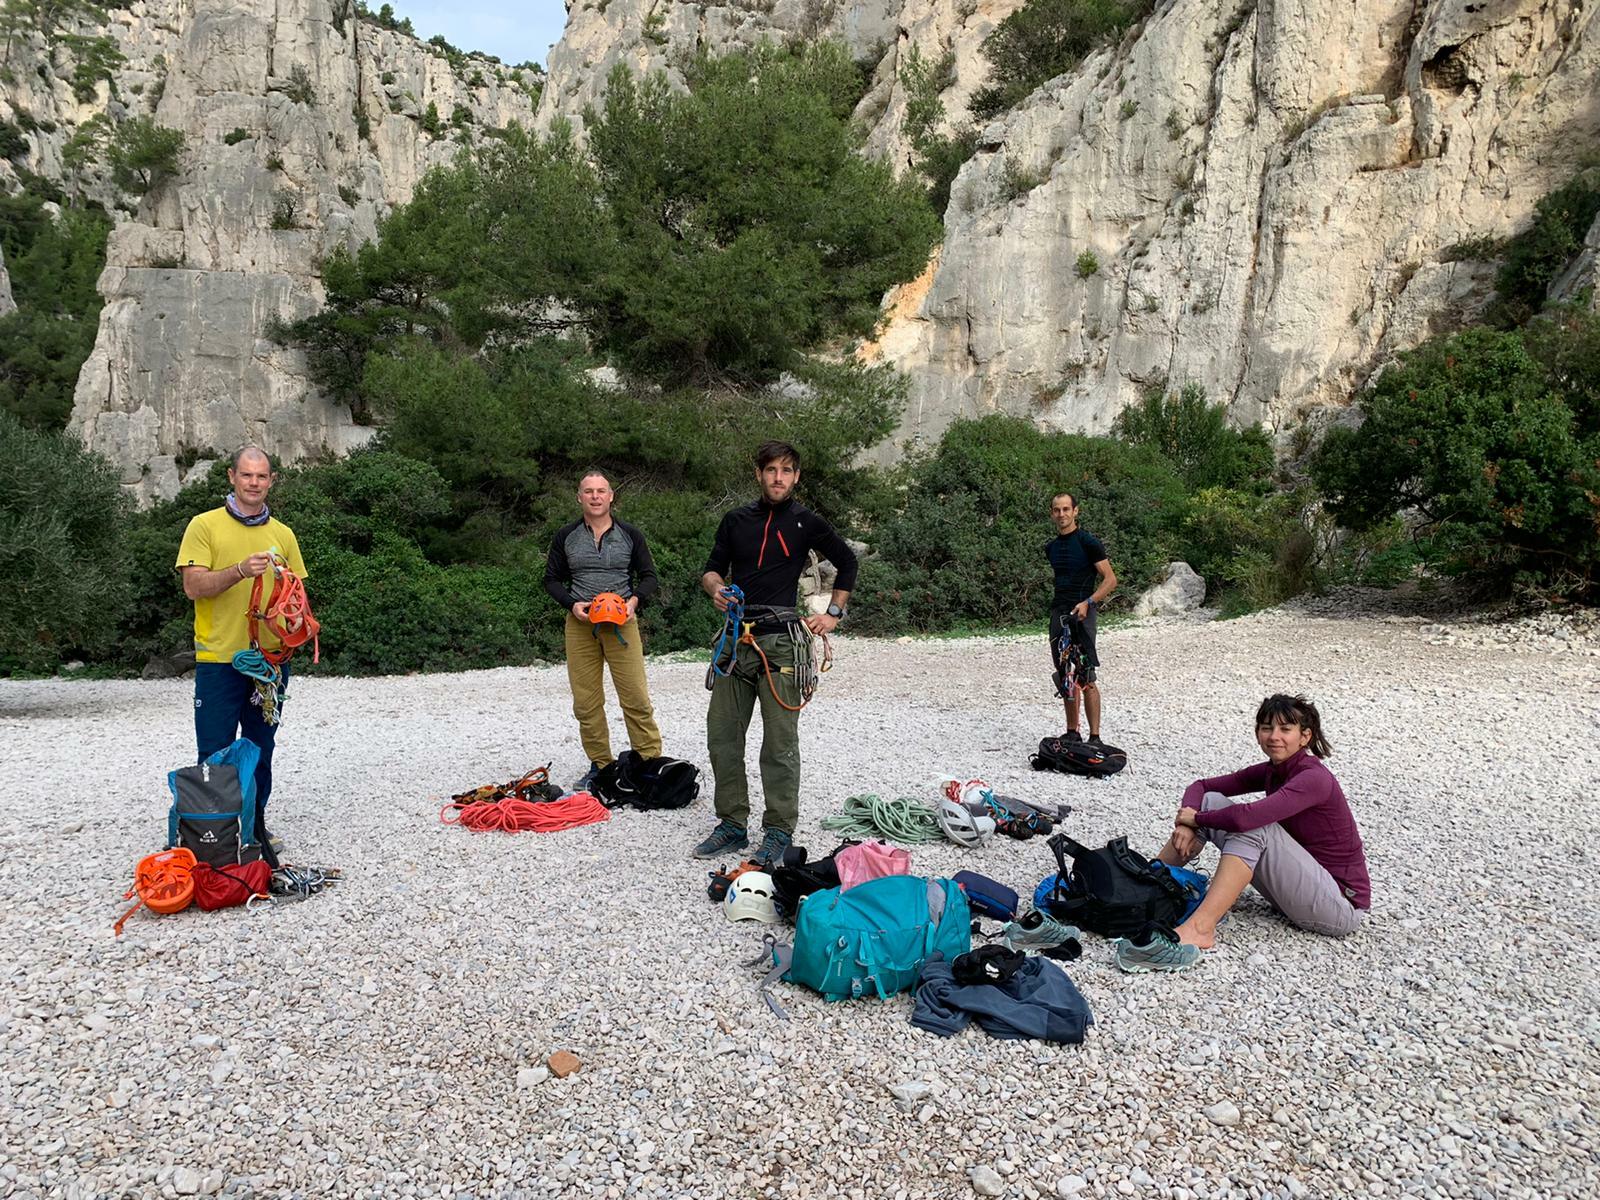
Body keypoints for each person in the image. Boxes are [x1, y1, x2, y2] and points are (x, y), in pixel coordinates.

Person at [1116, 694, 1372, 972]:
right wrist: (1187, 823)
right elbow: (1201, 787)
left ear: (1305, 737)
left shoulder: (1314, 778)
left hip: (1339, 906)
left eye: (1286, 729)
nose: (1274, 736)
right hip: (1303, 891)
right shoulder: (1273, 771)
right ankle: (1142, 890)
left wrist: (1196, 818)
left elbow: (1246, 818)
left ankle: (1200, 929)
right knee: (1212, 801)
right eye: (1266, 728)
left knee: (1254, 826)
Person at [693, 441, 859, 865]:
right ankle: (732, 824)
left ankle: (779, 832)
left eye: (786, 470)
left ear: (796, 477)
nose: (778, 477)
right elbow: (711, 570)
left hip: (782, 642)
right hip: (736, 640)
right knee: (722, 737)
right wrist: (716, 589)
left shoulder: (806, 522)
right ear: (759, 474)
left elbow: (847, 562)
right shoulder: (736, 520)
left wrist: (833, 614)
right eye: (771, 470)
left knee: (779, 743)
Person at [176, 446, 308, 867]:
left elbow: (297, 595)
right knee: (214, 750)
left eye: (262, 476)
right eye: (247, 475)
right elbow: (193, 586)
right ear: (232, 476)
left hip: (270, 663)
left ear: (272, 481)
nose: (254, 483)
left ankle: (253, 827)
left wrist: (296, 625)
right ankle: (213, 834)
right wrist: (238, 570)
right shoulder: (204, 526)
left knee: (261, 746)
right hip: (219, 659)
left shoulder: (284, 535)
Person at [543, 469, 664, 792]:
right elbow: (551, 579)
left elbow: (649, 576)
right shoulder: (566, 536)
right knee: (586, 702)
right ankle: (601, 765)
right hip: (581, 625)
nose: (595, 497)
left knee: (636, 697)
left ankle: (648, 762)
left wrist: (634, 601)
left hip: (622, 622)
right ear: (579, 497)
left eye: (601, 491)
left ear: (611, 496)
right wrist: (572, 605)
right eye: (589, 491)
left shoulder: (630, 534)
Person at [1045, 492, 1117, 742]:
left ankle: (1095, 737)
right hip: (1059, 613)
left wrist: (1089, 602)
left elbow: (1110, 579)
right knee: (1065, 674)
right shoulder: (1051, 548)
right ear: (1052, 513)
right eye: (1057, 510)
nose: (1062, 514)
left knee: (1086, 674)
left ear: (1075, 511)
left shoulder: (1089, 542)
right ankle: (1072, 733)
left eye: (1066, 509)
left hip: (1083, 613)